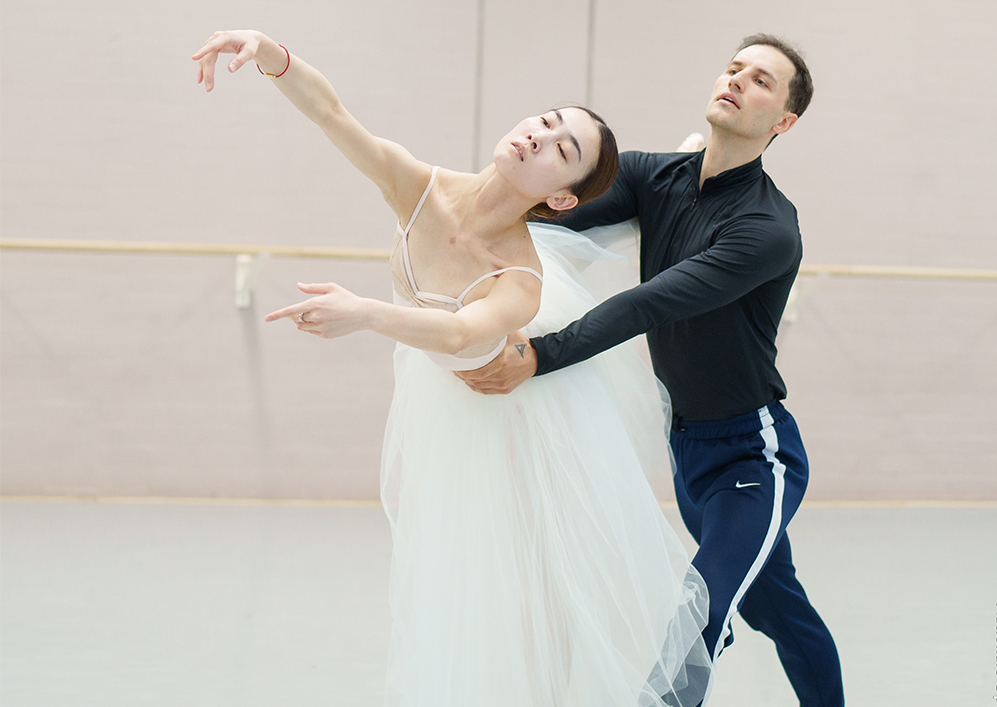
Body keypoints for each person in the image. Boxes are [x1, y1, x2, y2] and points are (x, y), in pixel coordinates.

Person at [193, 30, 712, 706]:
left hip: (527, 413)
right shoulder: (420, 186)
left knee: (544, 585)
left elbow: (465, 329)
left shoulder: (519, 277)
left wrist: (368, 312)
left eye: (563, 149)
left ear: (561, 198)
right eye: (547, 121)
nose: (539, 135)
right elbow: (332, 114)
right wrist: (269, 53)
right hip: (452, 404)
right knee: (457, 583)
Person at [459, 34, 845, 705]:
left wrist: (540, 355)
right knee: (778, 611)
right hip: (689, 454)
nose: (736, 81)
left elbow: (650, 302)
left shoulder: (767, 228)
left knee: (698, 619)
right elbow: (550, 215)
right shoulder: (649, 176)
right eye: (733, 68)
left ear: (782, 121)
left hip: (752, 461)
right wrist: (461, 216)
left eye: (759, 80)